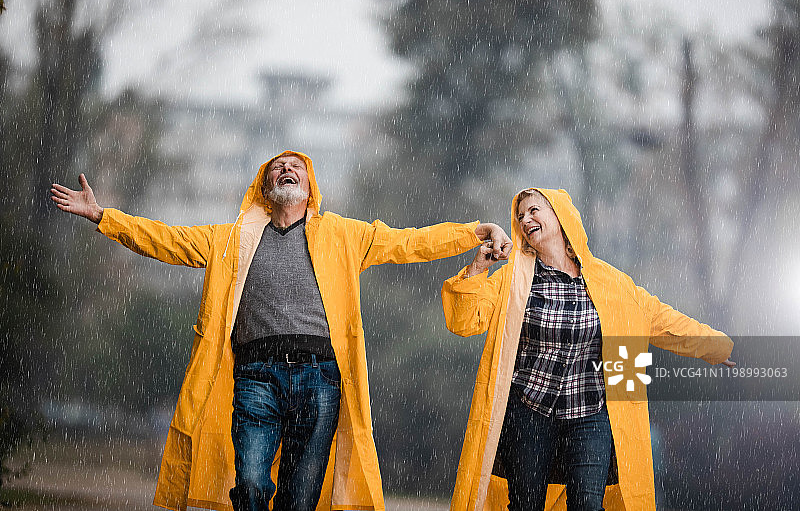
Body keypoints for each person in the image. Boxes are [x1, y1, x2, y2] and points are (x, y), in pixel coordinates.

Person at [50, 150, 513, 511]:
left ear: (310, 187)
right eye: (278, 167)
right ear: (264, 187)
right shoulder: (230, 239)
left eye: (296, 167)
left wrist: (473, 233)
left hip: (321, 378)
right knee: (250, 483)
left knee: (300, 495)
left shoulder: (344, 235)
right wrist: (103, 216)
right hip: (255, 376)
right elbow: (166, 240)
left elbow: (409, 242)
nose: (287, 170)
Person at [441, 188, 734, 511]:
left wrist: (717, 346)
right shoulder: (514, 280)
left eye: (534, 210)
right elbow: (464, 321)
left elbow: (662, 320)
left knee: (588, 505)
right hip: (528, 411)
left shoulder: (611, 283)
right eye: (520, 215)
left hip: (590, 414)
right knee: (525, 505)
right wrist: (477, 269)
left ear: (560, 216)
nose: (525, 220)